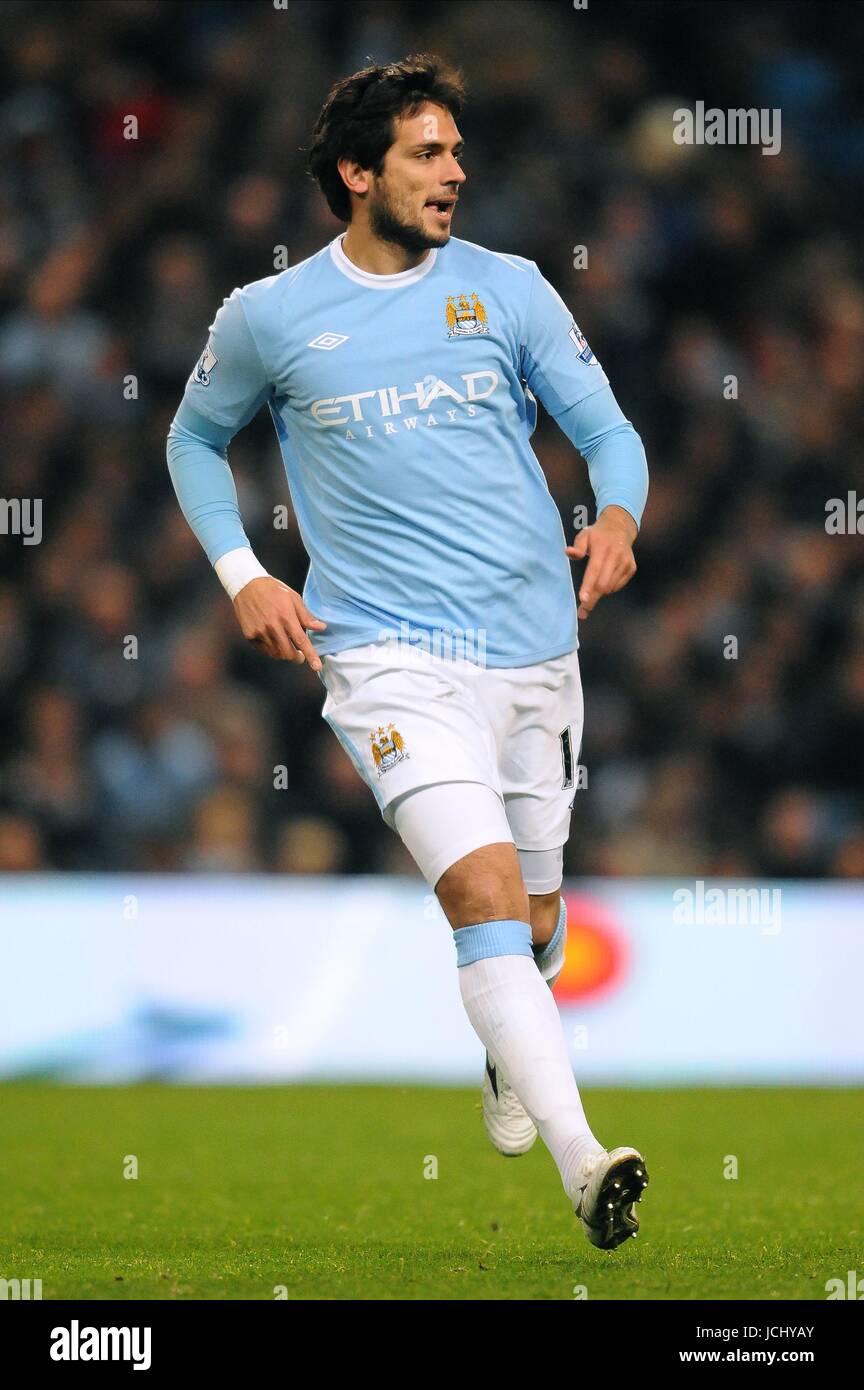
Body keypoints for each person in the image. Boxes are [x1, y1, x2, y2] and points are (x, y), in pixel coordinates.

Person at [167, 54, 650, 1249]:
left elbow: (609, 431)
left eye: (456, 151)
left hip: (538, 651)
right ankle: (588, 1164)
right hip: (386, 659)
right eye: (427, 154)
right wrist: (246, 575)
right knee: (482, 901)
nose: (455, 173)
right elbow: (192, 440)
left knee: (536, 911)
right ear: (356, 173)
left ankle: (508, 1044)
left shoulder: (513, 291)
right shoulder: (269, 318)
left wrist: (622, 520)